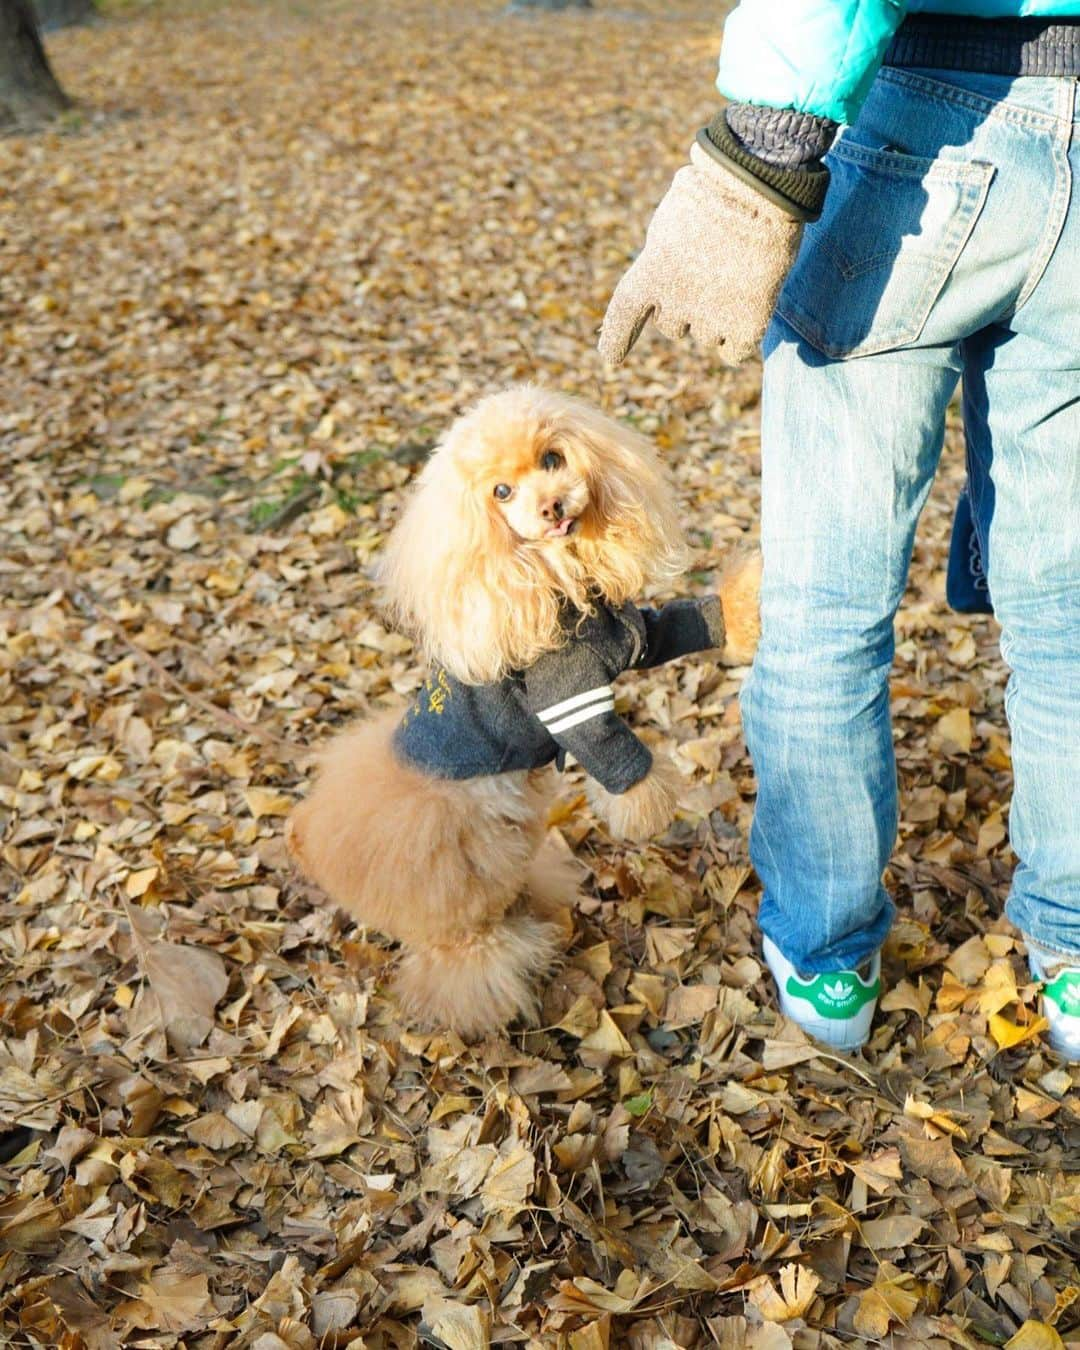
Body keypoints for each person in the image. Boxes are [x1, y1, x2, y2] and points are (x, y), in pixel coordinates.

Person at [600, 3, 1080, 1057]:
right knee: (1069, 619)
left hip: (926, 121)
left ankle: (826, 967)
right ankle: (1077, 962)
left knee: (823, 608)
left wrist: (762, 147)